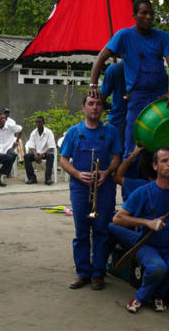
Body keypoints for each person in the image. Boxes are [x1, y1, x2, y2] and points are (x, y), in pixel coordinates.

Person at [89, 0, 169, 158]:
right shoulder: (124, 36)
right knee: (132, 145)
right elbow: (101, 57)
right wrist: (92, 85)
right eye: (144, 13)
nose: (149, 17)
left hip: (160, 97)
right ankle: (127, 181)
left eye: (151, 13)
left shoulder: (162, 37)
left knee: (163, 143)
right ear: (134, 16)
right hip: (137, 98)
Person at [112, 147, 169, 313]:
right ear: (155, 166)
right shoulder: (144, 191)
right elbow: (117, 218)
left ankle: (159, 295)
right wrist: (147, 222)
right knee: (157, 268)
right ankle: (140, 297)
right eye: (164, 161)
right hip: (147, 244)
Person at [60, 94, 122, 290]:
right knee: (81, 231)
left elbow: (117, 157)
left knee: (102, 231)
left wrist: (107, 172)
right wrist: (78, 174)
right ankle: (83, 273)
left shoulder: (110, 131)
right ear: (83, 108)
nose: (95, 107)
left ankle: (98, 273)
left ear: (102, 109)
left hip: (104, 188)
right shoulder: (73, 132)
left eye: (98, 104)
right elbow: (63, 161)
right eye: (91, 104)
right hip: (80, 189)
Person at [100, 60, 127, 152]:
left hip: (117, 119)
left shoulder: (115, 69)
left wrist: (113, 106)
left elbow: (102, 98)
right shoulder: (147, 68)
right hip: (142, 120)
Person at [24, 116, 56, 185]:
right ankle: (32, 178)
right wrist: (36, 155)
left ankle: (48, 179)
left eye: (40, 122)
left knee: (51, 155)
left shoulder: (49, 132)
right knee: (26, 156)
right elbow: (32, 146)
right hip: (37, 153)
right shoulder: (33, 133)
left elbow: (51, 147)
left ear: (44, 122)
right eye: (37, 122)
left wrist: (41, 155)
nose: (38, 124)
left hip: (46, 153)